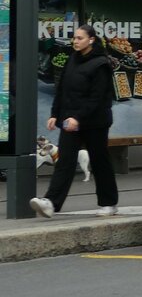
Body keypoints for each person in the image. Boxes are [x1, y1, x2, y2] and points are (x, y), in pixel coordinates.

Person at [29, 25, 119, 219]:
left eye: (80, 38)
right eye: (74, 38)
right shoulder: (72, 60)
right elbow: (62, 89)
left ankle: (109, 203)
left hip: (95, 122)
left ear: (91, 40)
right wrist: (55, 114)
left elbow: (97, 97)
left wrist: (78, 117)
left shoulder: (101, 64)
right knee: (65, 161)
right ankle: (51, 203)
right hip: (70, 121)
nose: (75, 41)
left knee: (99, 161)